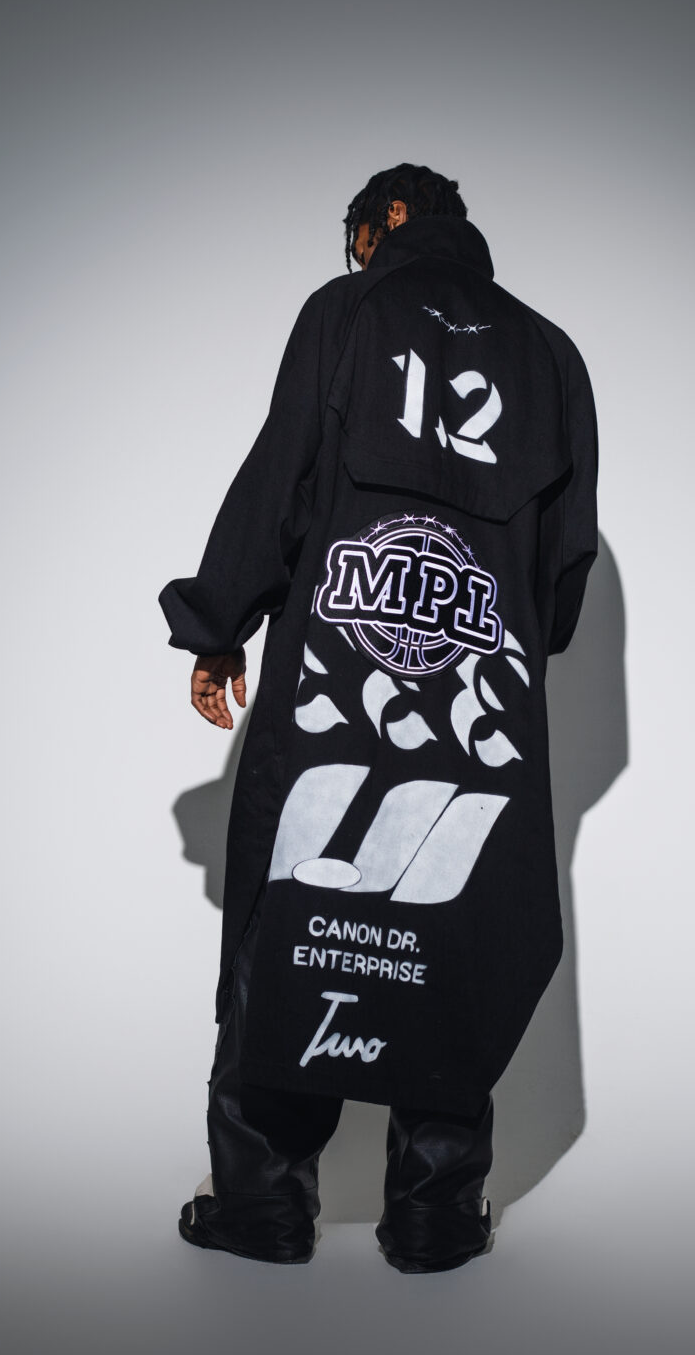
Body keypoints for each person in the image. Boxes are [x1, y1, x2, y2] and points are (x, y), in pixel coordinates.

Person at [159, 163, 598, 1273]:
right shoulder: (553, 355)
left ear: (387, 219)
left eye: (356, 234)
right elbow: (565, 563)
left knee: (293, 908)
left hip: (336, 666)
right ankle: (436, 1214)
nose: (354, 255)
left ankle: (263, 1204)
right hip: (481, 681)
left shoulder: (344, 312)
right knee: (455, 926)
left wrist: (218, 620)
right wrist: (501, 644)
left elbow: (282, 471)